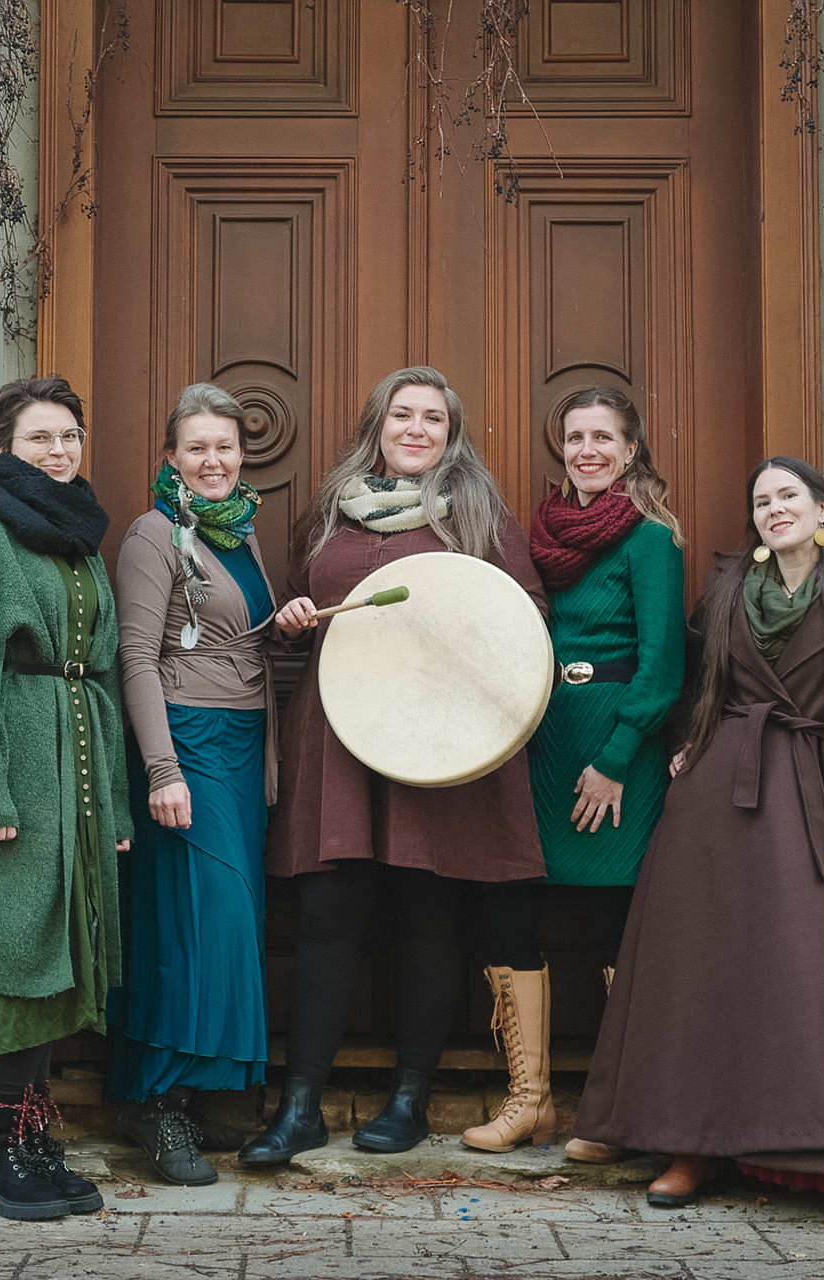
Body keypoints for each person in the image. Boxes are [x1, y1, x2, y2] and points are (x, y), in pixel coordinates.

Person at [571, 457, 824, 1225]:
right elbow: (689, 676)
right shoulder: (729, 585)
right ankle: (691, 1147)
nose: (774, 508)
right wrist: (687, 740)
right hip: (715, 799)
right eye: (762, 500)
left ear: (821, 509)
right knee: (701, 972)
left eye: (788, 496)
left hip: (810, 791)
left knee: (816, 977)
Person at [237, 366, 549, 1166]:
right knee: (327, 915)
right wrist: (293, 622)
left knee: (425, 917)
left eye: (433, 419)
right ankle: (299, 1108)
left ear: (452, 433)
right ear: (376, 424)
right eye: (402, 414)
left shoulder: (478, 515)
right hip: (339, 736)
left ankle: (410, 1100)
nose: (416, 429)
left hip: (435, 744)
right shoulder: (328, 514)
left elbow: (525, 622)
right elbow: (293, 617)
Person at [0, 376, 135, 1222]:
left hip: (76, 765)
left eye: (69, 436)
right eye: (39, 438)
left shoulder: (79, 537)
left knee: (63, 953)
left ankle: (33, 1139)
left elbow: (104, 672)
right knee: (21, 951)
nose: (59, 451)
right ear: (1, 449)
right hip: (19, 765)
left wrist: (115, 801)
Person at [461, 386, 685, 1156]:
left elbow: (663, 665)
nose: (587, 450)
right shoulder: (544, 531)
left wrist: (616, 761)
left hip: (617, 746)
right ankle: (530, 1103)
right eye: (575, 437)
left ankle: (627, 1115)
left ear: (631, 450)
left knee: (615, 923)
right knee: (508, 909)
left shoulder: (652, 538)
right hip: (542, 738)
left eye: (603, 437)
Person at [109, 384, 277, 1186]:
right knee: (196, 922)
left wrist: (288, 622)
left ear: (243, 454)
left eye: (226, 447)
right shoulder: (153, 534)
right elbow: (136, 657)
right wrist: (163, 769)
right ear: (171, 457)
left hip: (242, 747)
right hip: (188, 743)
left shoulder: (238, 532)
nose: (214, 461)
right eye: (198, 448)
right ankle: (154, 1101)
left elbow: (239, 637)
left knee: (229, 926)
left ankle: (200, 1090)